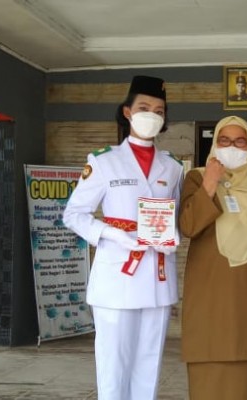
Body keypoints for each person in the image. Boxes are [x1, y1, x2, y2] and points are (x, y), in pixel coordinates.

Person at [63, 75, 183, 400]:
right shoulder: (104, 161)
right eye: (144, 107)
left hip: (157, 277)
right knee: (113, 365)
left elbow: (175, 214)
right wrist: (110, 233)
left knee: (149, 365)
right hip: (117, 277)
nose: (151, 115)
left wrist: (173, 233)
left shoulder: (173, 167)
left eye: (159, 110)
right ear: (128, 112)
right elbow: (74, 214)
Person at [179, 115, 247, 400]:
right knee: (208, 361)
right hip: (209, 292)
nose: (232, 147)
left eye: (240, 141)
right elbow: (189, 226)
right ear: (214, 144)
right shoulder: (196, 178)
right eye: (224, 140)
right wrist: (210, 183)